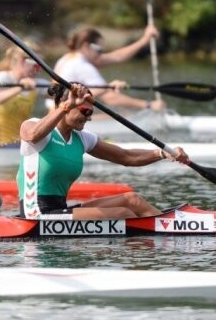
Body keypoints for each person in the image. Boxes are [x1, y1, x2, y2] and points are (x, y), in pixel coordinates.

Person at [18, 83, 189, 219]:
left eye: (91, 112)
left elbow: (126, 157)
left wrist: (162, 153)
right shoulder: (33, 125)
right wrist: (66, 105)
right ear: (63, 105)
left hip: (59, 211)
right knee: (123, 215)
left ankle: (168, 228)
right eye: (85, 111)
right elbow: (32, 135)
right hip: (37, 214)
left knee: (133, 200)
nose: (89, 117)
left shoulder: (82, 138)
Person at [54, 26, 166, 112]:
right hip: (65, 117)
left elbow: (117, 56)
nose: (101, 54)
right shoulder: (83, 66)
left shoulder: (66, 58)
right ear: (85, 46)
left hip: (56, 111)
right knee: (124, 115)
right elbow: (111, 99)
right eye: (99, 50)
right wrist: (149, 105)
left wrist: (145, 39)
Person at [0, 41, 49, 148]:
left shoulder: (35, 83)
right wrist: (18, 88)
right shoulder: (1, 79)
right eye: (36, 66)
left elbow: (58, 92)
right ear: (21, 61)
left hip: (18, 144)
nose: (39, 70)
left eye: (41, 66)